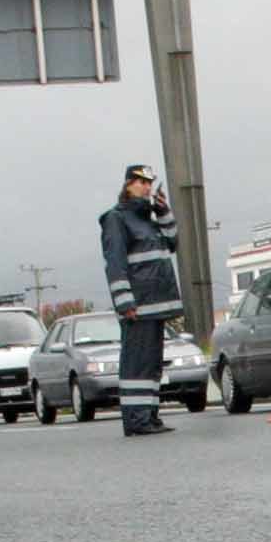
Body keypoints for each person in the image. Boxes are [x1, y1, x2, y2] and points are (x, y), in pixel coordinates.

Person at [98, 162, 186, 437]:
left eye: (149, 183)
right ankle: (136, 420)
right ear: (128, 185)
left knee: (151, 365)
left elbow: (173, 243)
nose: (146, 187)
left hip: (157, 304)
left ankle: (149, 416)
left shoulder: (149, 217)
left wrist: (164, 213)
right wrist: (125, 303)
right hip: (138, 306)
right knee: (136, 364)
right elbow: (115, 264)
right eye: (140, 182)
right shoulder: (116, 218)